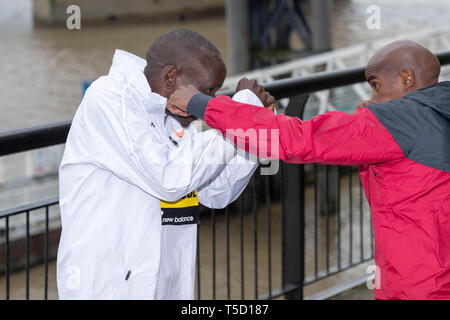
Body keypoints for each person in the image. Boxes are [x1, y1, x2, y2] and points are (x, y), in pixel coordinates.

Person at [167, 40, 450, 300]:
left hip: (420, 287)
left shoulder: (397, 123)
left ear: (407, 79)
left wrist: (200, 103)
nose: (371, 99)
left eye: (376, 86)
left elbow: (296, 140)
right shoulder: (439, 110)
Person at [57, 29, 275, 299]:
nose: (213, 100)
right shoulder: (111, 99)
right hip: (109, 288)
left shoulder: (175, 117)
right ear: (172, 76)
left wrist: (254, 127)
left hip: (167, 286)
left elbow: (217, 192)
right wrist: (241, 116)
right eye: (209, 90)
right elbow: (170, 180)